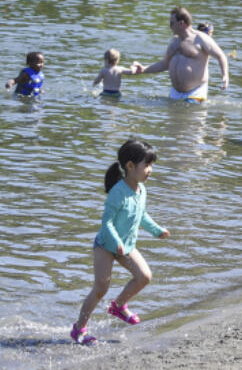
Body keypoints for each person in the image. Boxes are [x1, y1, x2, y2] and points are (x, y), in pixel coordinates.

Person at [70, 139, 169, 346]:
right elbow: (106, 222)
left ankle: (119, 306)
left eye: (152, 165)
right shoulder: (118, 192)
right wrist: (116, 242)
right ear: (130, 166)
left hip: (126, 246)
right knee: (100, 289)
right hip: (106, 246)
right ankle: (79, 329)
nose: (150, 170)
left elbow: (142, 216)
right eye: (147, 165)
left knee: (144, 277)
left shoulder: (141, 190)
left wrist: (156, 230)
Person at [133, 6, 230, 102]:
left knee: (188, 108)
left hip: (195, 93)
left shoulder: (201, 39)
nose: (170, 26)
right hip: (175, 93)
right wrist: (143, 69)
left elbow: (221, 56)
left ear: (181, 24)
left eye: (172, 23)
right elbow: (165, 64)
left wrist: (225, 75)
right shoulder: (174, 41)